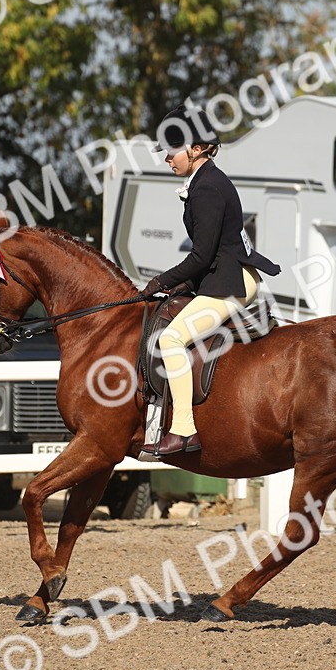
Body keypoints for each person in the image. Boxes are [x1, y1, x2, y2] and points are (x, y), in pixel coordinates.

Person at [139, 104, 281, 456]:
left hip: (231, 282)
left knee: (171, 339)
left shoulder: (207, 189)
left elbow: (201, 256)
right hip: (222, 274)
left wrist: (161, 281)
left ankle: (184, 430)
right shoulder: (205, 181)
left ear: (197, 148)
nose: (167, 158)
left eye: (173, 150)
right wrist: (183, 285)